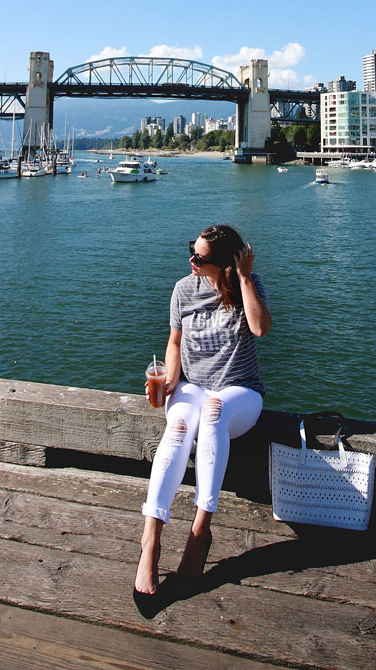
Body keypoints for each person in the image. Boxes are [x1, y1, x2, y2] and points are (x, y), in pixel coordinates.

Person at [134, 223, 272, 596]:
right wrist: (169, 382)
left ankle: (199, 531)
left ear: (227, 263)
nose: (191, 261)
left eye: (201, 258)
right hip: (192, 387)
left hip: (239, 393)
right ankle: (151, 537)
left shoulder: (247, 284)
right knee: (178, 426)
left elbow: (260, 329)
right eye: (190, 252)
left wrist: (243, 278)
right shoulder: (183, 289)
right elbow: (174, 342)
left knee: (212, 412)